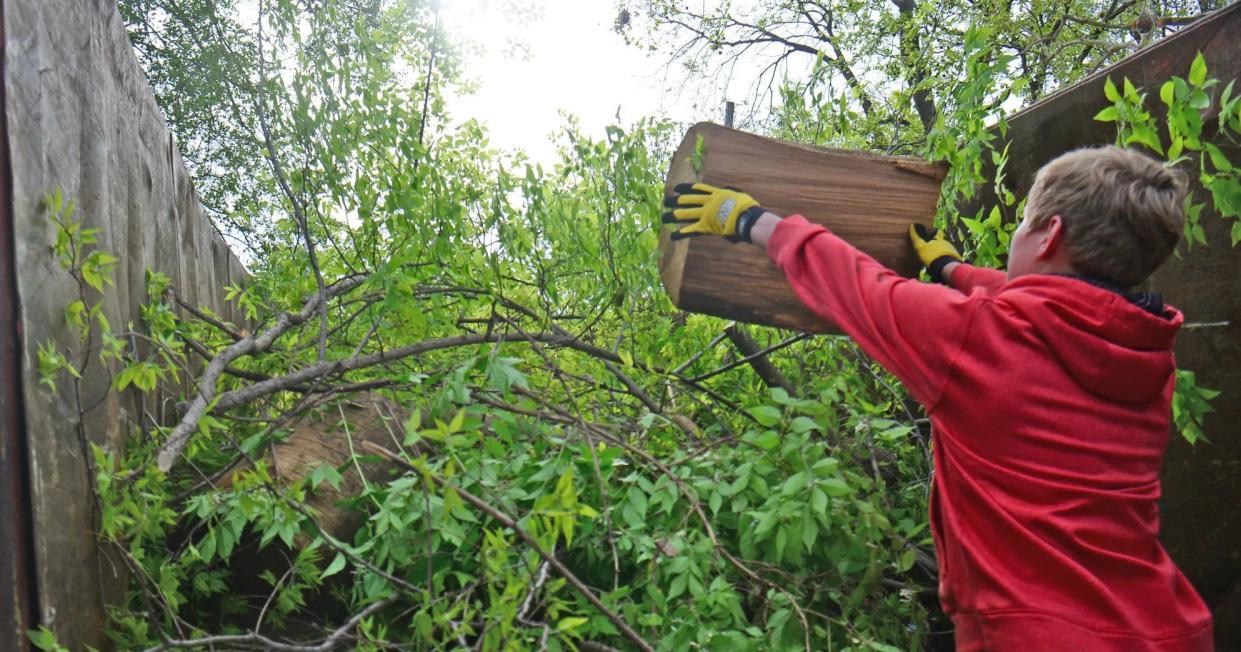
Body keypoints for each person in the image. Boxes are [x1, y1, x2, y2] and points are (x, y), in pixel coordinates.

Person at [662, 146, 1213, 651]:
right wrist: (952, 271)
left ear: (1049, 236)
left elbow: (859, 287)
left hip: (1042, 636)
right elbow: (1055, 310)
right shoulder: (1145, 355)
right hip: (1166, 624)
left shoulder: (975, 340)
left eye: (1024, 224)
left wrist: (750, 221)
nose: (1017, 237)